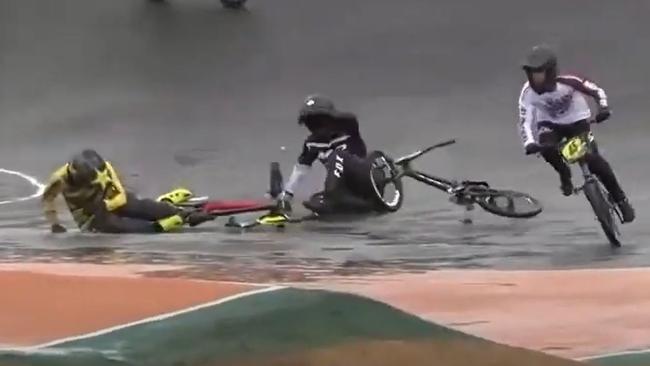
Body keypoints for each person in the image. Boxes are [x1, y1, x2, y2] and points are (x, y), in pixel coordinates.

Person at [518, 44, 635, 223]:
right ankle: (564, 173)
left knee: (593, 160)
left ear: (550, 71)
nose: (536, 78)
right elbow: (525, 119)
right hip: (549, 124)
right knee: (547, 149)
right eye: (532, 73)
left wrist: (603, 108)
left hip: (577, 121)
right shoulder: (528, 93)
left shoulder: (567, 81)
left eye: (540, 72)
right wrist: (529, 143)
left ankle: (621, 200)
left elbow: (596, 91)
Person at [42, 149, 212, 233]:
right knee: (120, 227)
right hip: (90, 216)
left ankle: (176, 210)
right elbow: (48, 199)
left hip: (110, 201)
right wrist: (54, 223)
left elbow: (121, 196)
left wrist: (108, 204)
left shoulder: (104, 167)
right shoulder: (59, 179)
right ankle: (160, 226)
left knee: (138, 206)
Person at [275, 94, 386, 215]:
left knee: (337, 155)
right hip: (345, 187)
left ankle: (332, 194)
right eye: (310, 122)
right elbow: (301, 170)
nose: (315, 125)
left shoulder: (348, 129)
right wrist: (287, 195)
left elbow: (350, 117)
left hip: (364, 177)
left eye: (319, 121)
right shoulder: (312, 143)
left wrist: (332, 115)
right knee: (315, 199)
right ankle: (348, 203)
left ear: (330, 119)